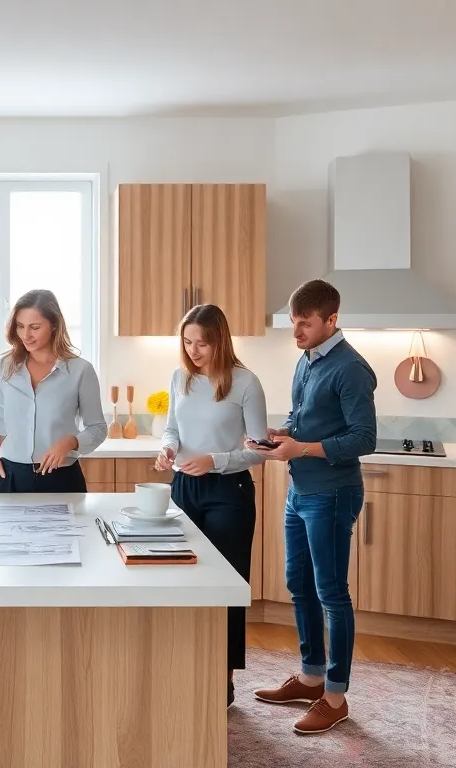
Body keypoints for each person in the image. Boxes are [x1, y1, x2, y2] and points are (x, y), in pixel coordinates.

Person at [250, 279, 376, 735]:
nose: (296, 332)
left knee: (331, 593)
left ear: (331, 320)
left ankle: (336, 696)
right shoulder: (307, 360)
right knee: (298, 584)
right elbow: (307, 421)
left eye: (305, 323)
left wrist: (301, 449)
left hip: (333, 492)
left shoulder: (351, 368)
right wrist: (283, 435)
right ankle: (309, 678)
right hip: (300, 490)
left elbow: (364, 438)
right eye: (293, 322)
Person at [153, 303, 268, 708]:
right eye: (187, 341)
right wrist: (167, 448)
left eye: (202, 342)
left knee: (225, 588)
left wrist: (214, 461)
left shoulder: (245, 382)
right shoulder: (179, 378)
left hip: (228, 492)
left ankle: (223, 680)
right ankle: (185, 668)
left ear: (220, 339)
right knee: (180, 582)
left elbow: (259, 451)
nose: (194, 350)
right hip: (183, 487)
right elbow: (172, 427)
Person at [0, 289, 107, 492]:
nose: (26, 335)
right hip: (11, 477)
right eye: (20, 326)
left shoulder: (80, 370)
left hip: (61, 478)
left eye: (35, 327)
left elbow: (98, 428)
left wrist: (71, 442)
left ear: (53, 325)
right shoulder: (5, 366)